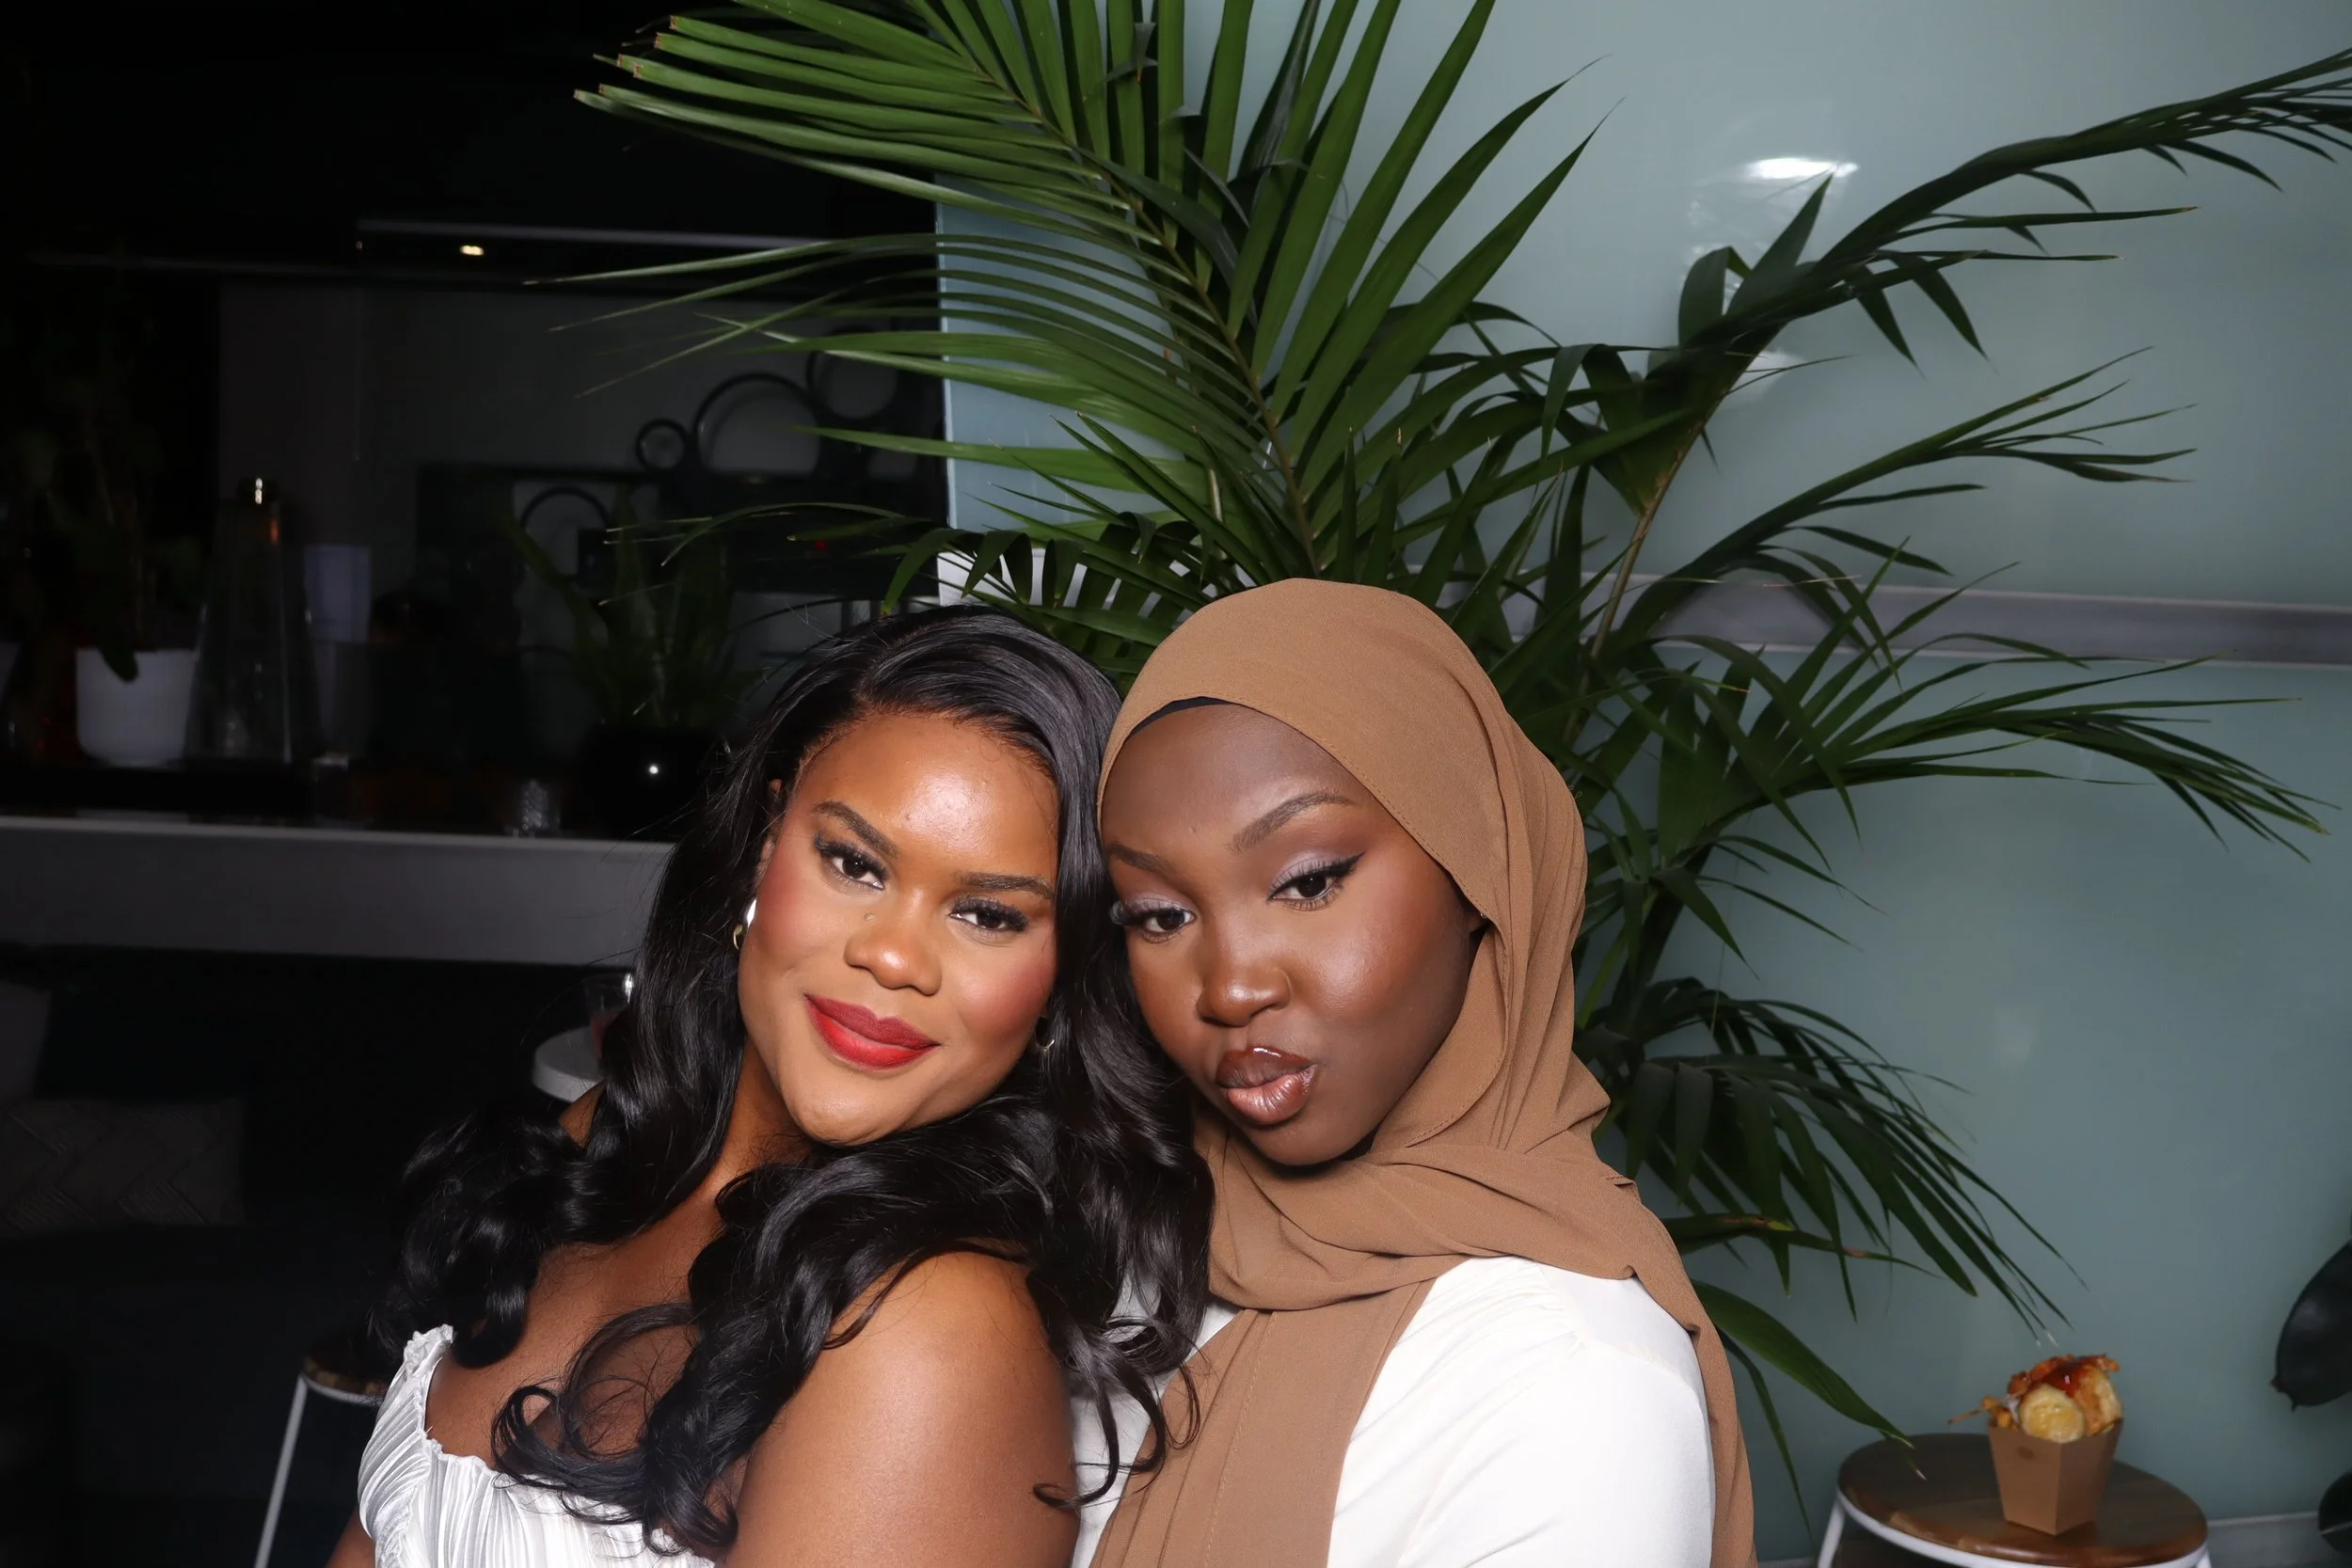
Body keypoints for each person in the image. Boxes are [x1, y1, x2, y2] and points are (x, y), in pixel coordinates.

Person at [332, 608, 1209, 1568]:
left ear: (1063, 976)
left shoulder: (927, 1329)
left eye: (988, 913)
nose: (891, 954)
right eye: (853, 861)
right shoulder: (595, 1146)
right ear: (763, 842)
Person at [1083, 579, 1756, 1568]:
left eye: (1308, 881)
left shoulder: (1575, 1384)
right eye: (1158, 914)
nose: (1228, 986)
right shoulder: (1120, 1253)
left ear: (1479, 873)